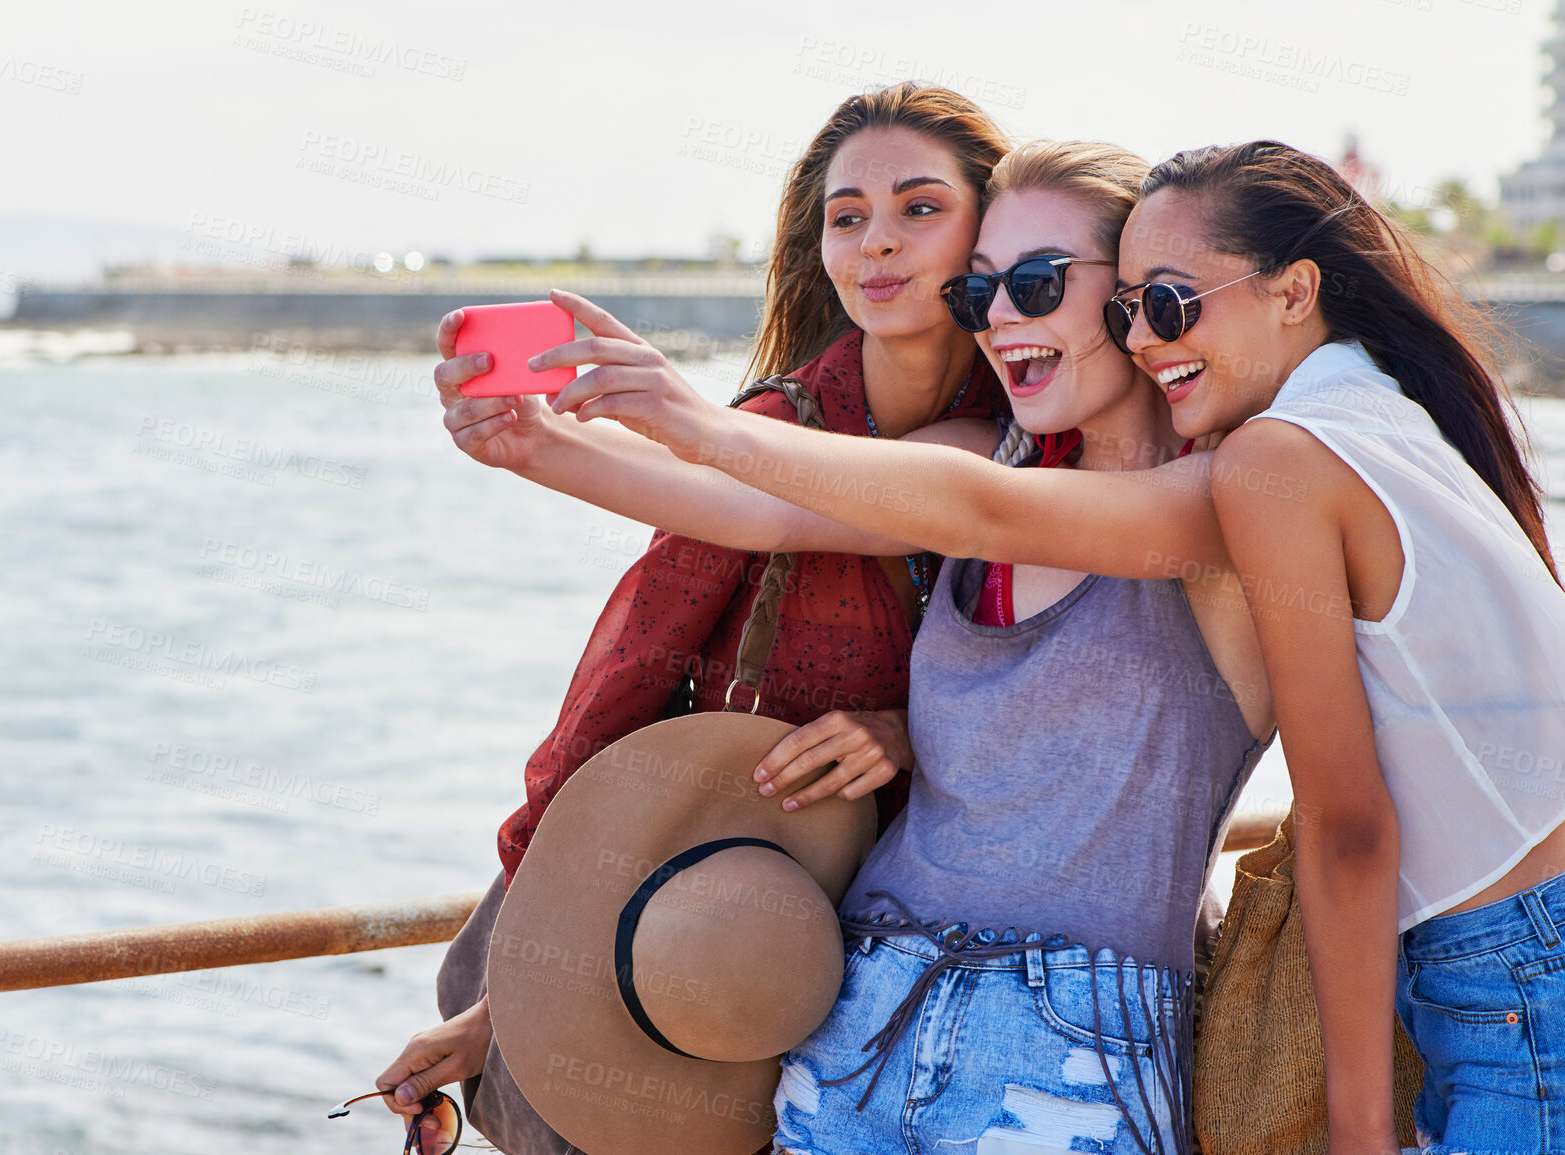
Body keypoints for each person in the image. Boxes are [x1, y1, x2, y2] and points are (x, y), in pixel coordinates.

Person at [438, 140, 1276, 1154]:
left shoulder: (1222, 498)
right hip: (858, 1014)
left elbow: (988, 513)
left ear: (1132, 298)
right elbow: (763, 507)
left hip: (1066, 1047)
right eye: (980, 294)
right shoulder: (987, 450)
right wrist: (536, 444)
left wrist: (694, 420)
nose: (1001, 316)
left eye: (1038, 283)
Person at [372, 82, 1015, 1152]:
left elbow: (792, 500)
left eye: (919, 208)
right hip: (715, 897)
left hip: (886, 944)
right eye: (847, 218)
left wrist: (907, 735)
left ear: (990, 231)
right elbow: (731, 505)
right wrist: (532, 441)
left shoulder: (1020, 441)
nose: (878, 245)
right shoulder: (780, 418)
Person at [1123, 141, 1565, 1155]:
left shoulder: (1280, 457)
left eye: (1172, 303)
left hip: (1516, 978)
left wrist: (1357, 1132)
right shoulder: (1394, 412)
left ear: (1294, 292)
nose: (1144, 341)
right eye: (1126, 311)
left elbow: (1349, 826)